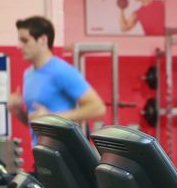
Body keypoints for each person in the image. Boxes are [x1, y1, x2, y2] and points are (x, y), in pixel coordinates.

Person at [8, 16, 106, 144]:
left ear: (43, 40)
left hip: (64, 155)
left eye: (25, 40)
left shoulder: (62, 71)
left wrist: (52, 118)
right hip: (41, 152)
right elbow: (37, 125)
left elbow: (98, 108)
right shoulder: (29, 74)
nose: (19, 46)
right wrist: (19, 111)